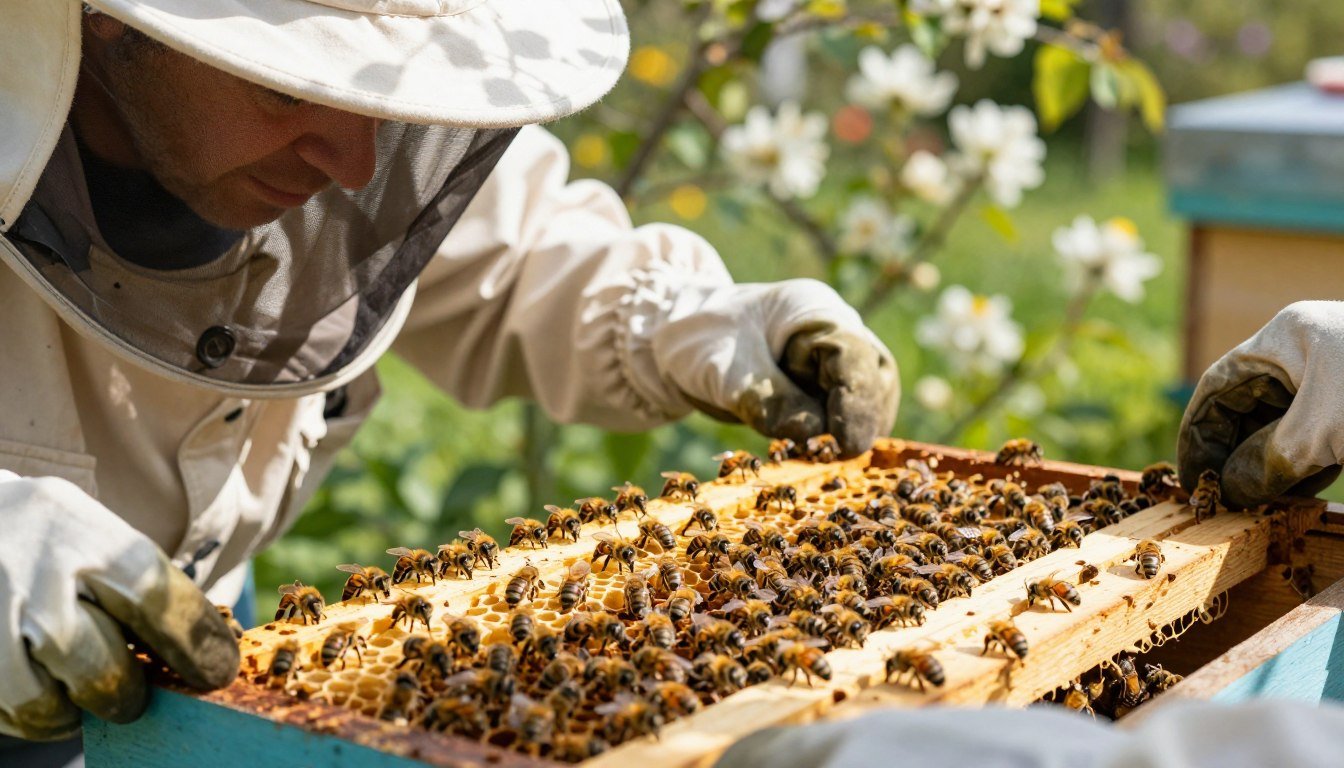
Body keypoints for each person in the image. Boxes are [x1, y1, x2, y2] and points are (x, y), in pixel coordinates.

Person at [0, 0, 899, 760]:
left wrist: (701, 321)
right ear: (108, 22)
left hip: (197, 642)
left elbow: (518, 256)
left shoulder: (343, 145)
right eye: (289, 85)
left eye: (385, 93)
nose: (355, 161)